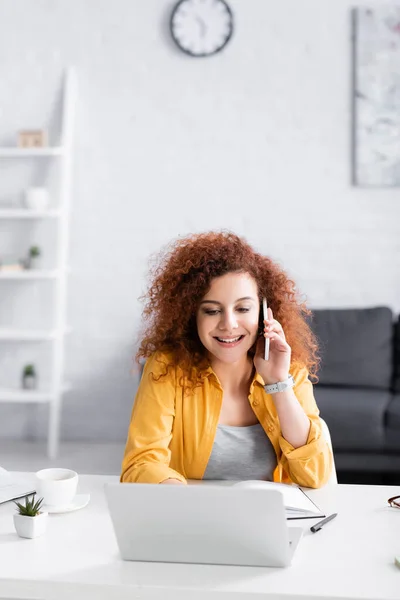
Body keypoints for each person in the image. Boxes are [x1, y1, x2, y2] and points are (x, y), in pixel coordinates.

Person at [121, 231, 332, 488]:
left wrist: (278, 383)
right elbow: (140, 463)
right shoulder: (168, 368)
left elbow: (315, 476)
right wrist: (186, 502)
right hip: (190, 516)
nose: (228, 325)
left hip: (270, 521)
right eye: (212, 310)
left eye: (243, 308)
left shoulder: (289, 372)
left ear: (265, 313)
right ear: (192, 316)